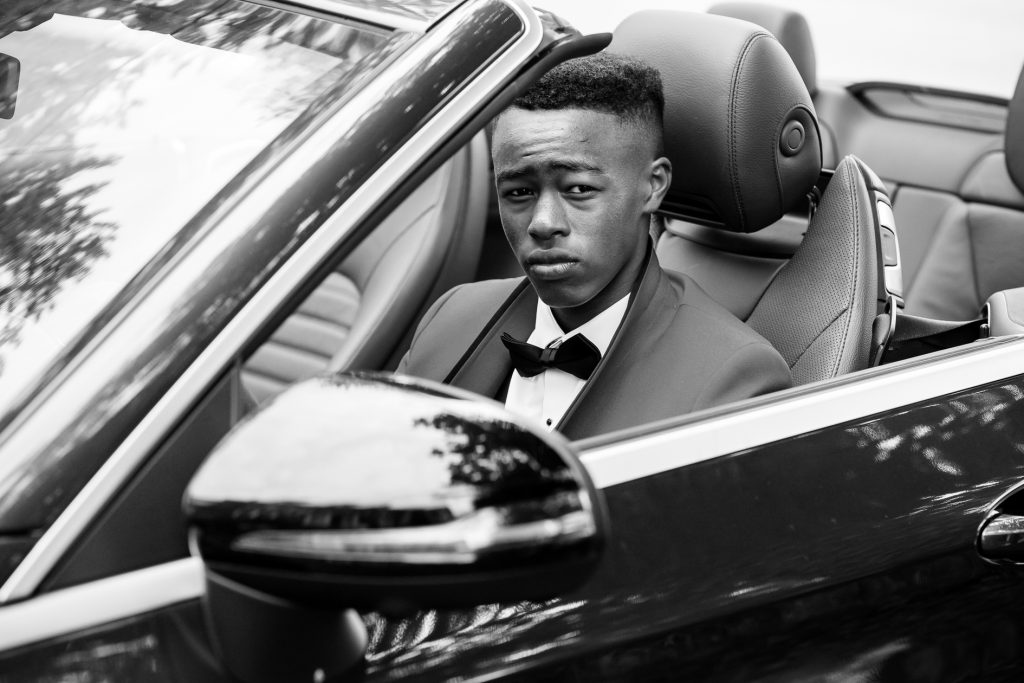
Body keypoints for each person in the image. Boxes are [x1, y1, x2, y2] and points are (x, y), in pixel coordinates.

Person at [398, 53, 791, 440]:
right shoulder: (451, 317)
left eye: (579, 189)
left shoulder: (732, 377)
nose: (542, 223)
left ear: (653, 186)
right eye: (518, 192)